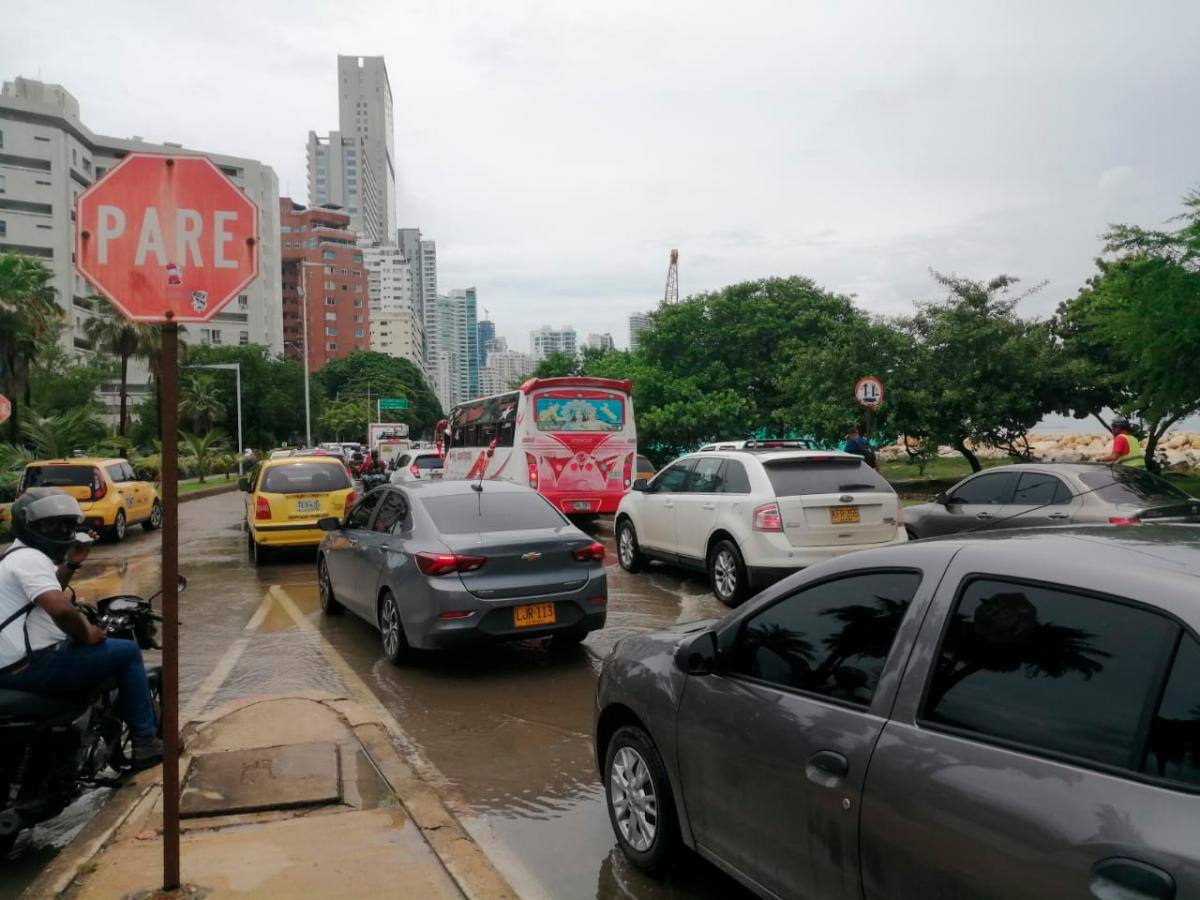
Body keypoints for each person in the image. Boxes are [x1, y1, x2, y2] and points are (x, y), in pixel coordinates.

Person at [0, 489, 162, 767]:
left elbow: (49, 590)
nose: (62, 531)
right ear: (31, 525)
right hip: (34, 665)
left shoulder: (13, 557)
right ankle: (145, 742)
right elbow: (61, 608)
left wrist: (72, 563)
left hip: (13, 665)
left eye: (66, 525)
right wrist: (87, 632)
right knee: (126, 652)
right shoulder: (30, 559)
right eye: (52, 525)